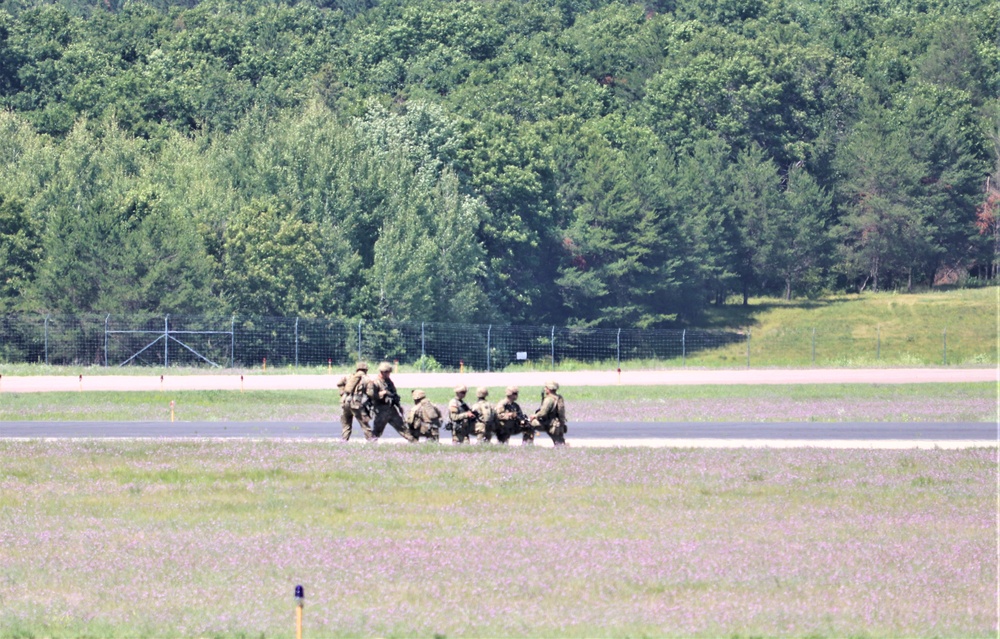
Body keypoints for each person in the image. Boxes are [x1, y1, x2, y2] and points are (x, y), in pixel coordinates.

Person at [369, 361, 416, 442]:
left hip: (392, 409)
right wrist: (382, 393)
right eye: (387, 372)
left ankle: (415, 443)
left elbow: (394, 394)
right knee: (377, 432)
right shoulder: (375, 382)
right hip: (381, 411)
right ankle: (371, 445)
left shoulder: (389, 382)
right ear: (382, 372)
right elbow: (372, 396)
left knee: (403, 429)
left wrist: (399, 406)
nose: (389, 374)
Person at [340, 362, 375, 441]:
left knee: (346, 424)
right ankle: (371, 439)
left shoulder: (349, 377)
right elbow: (370, 393)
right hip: (356, 404)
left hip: (345, 403)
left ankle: (344, 440)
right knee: (364, 423)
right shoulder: (367, 379)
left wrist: (342, 394)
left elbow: (340, 384)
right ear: (366, 369)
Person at [531, 380, 567, 446]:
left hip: (549, 424)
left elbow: (543, 413)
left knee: (529, 425)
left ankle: (528, 444)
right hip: (558, 425)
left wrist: (535, 416)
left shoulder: (549, 399)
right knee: (560, 444)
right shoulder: (559, 398)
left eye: (546, 388)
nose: (544, 389)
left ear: (549, 389)